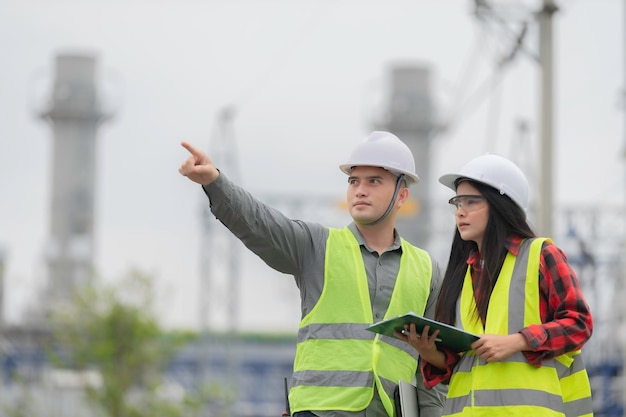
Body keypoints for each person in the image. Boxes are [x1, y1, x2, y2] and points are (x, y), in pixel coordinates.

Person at [179, 131, 447, 417]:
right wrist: (215, 182)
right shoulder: (316, 246)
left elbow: (432, 368)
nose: (360, 190)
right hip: (318, 411)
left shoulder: (427, 270)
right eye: (353, 181)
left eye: (374, 181)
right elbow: (260, 222)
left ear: (402, 195)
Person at [398, 153, 594, 417]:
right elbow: (461, 362)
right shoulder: (463, 273)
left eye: (471, 202)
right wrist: (428, 351)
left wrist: (517, 342)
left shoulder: (540, 255)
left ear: (501, 205)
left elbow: (579, 323)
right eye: (457, 202)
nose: (460, 211)